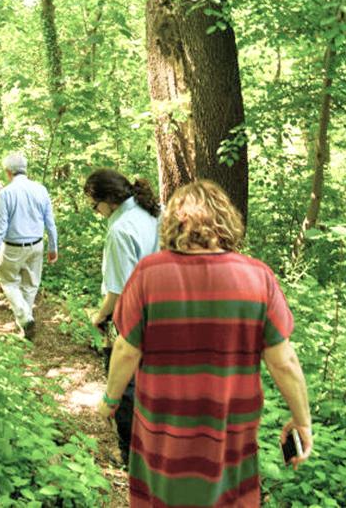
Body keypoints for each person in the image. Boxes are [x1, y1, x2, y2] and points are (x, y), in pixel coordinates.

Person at [97, 180, 313, 507]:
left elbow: (127, 350)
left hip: (162, 439)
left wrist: (110, 400)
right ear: (226, 221)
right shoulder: (258, 278)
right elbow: (284, 362)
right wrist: (301, 420)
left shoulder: (148, 275)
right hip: (229, 440)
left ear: (172, 224)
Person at [84, 169, 161, 465]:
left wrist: (98, 316)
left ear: (109, 200)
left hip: (133, 315)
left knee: (125, 384)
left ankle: (130, 454)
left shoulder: (119, 231)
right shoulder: (155, 213)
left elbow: (117, 292)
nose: (97, 212)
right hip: (166, 310)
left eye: (95, 206)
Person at [0, 153, 58, 339]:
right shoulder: (41, 190)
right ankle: (26, 323)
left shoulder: (5, 193)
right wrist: (53, 247)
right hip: (37, 245)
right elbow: (50, 222)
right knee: (30, 285)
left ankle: (25, 318)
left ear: (8, 172)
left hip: (12, 247)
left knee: (8, 281)